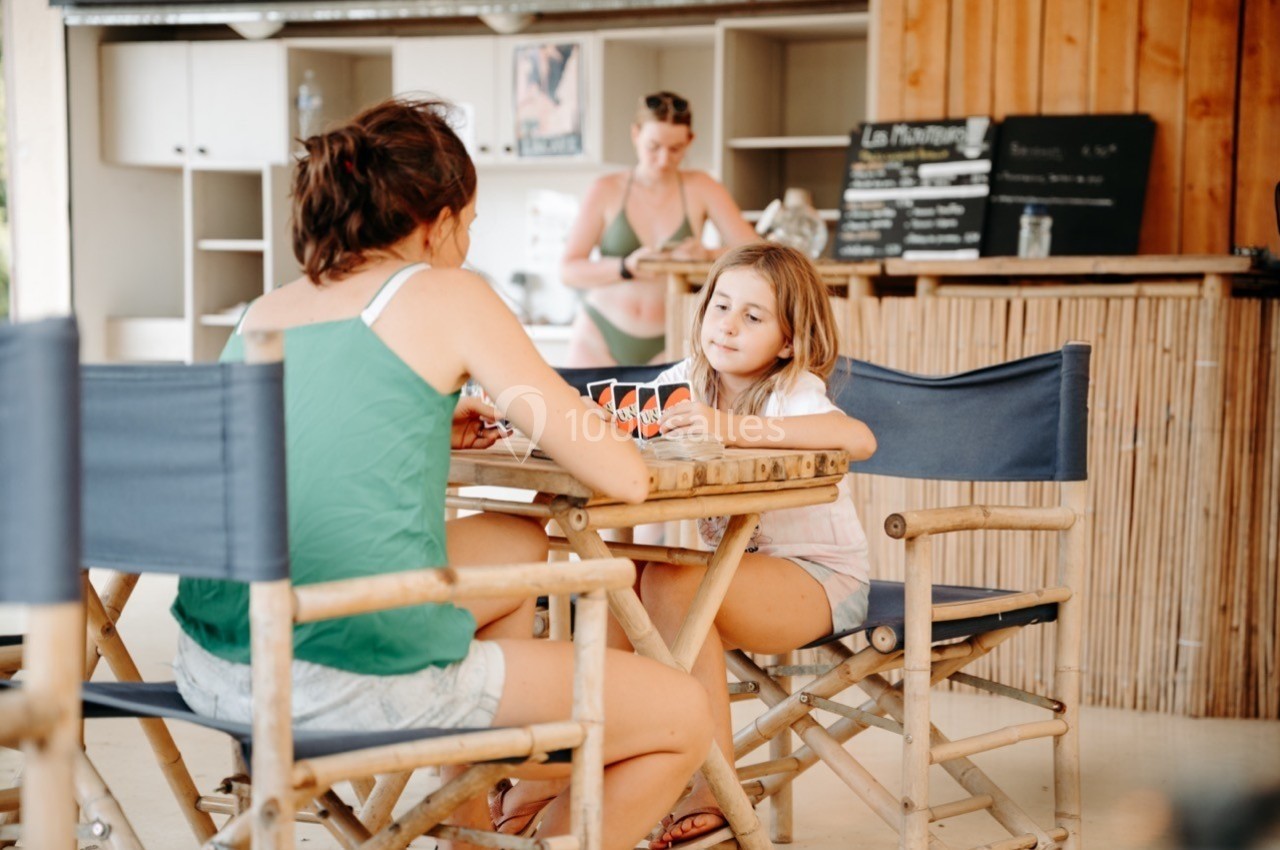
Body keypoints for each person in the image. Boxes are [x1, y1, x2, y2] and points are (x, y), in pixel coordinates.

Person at [169, 97, 712, 850]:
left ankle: (465, 823)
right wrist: (531, 411)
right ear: (440, 220)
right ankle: (523, 826)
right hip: (343, 678)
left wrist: (434, 410)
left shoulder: (266, 308)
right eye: (472, 222)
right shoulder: (446, 292)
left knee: (518, 543)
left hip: (220, 663)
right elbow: (621, 474)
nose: (471, 238)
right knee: (684, 716)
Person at [645, 242, 877, 848]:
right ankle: (575, 777)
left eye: (753, 317)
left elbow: (855, 438)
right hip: (734, 579)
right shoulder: (685, 381)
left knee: (669, 583)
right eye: (721, 305)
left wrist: (732, 429)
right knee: (615, 588)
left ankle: (713, 790)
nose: (726, 324)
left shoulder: (791, 387)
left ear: (788, 341)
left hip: (821, 581)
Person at [560, 91, 757, 367]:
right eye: (653, 147)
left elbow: (756, 252)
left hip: (671, 339)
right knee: (580, 411)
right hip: (599, 335)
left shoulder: (702, 186)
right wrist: (625, 267)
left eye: (675, 149)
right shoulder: (605, 189)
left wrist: (707, 253)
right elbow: (569, 270)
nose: (664, 159)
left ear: (690, 141)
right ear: (635, 134)